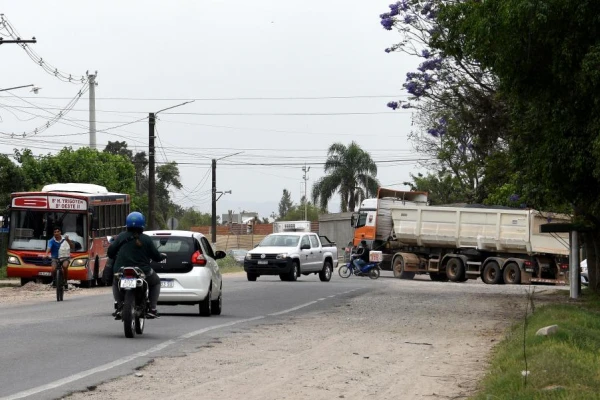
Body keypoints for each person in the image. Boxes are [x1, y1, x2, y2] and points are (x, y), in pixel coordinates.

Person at [108, 212, 165, 319]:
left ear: (127, 224)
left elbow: (110, 253)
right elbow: (156, 256)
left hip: (121, 270)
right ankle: (152, 309)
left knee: (115, 282)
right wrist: (162, 256)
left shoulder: (120, 237)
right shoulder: (146, 239)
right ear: (142, 224)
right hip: (143, 271)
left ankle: (119, 306)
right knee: (156, 282)